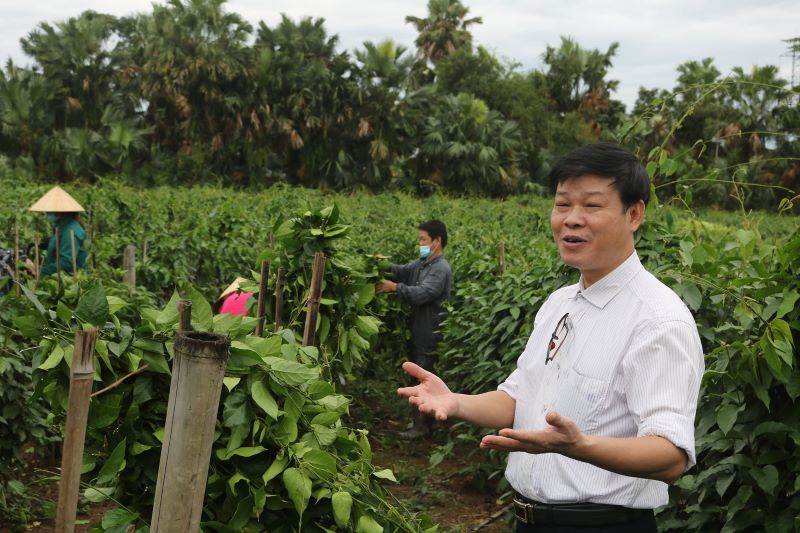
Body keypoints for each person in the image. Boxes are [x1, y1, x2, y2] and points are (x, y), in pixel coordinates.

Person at [398, 143, 704, 532]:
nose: (572, 220)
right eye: (562, 205)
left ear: (634, 213)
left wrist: (580, 448)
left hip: (602, 526)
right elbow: (517, 397)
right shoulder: (560, 302)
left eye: (591, 206)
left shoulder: (658, 319)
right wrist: (456, 402)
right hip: (528, 520)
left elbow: (670, 455)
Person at [377, 219, 452, 439]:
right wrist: (378, 265)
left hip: (430, 332)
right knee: (418, 376)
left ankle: (422, 427)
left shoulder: (440, 269)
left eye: (423, 239)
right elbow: (401, 271)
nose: (420, 243)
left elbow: (423, 294)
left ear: (437, 241)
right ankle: (423, 424)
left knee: (424, 379)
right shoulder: (422, 263)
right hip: (417, 329)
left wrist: (394, 288)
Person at [27, 186, 88, 276]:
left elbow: (67, 263)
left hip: (71, 281)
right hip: (61, 277)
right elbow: (60, 243)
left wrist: (41, 271)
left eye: (50, 210)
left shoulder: (70, 231)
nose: (48, 213)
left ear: (61, 211)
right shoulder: (63, 225)